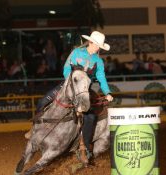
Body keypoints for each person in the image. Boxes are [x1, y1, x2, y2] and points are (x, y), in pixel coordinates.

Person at [35, 31, 113, 165]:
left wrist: (107, 92)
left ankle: (86, 147)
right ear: (91, 42)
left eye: (99, 46)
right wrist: (71, 85)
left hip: (85, 90)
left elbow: (101, 78)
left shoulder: (98, 61)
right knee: (43, 102)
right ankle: (34, 130)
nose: (98, 48)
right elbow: (66, 69)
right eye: (97, 45)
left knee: (90, 116)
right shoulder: (76, 53)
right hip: (68, 86)